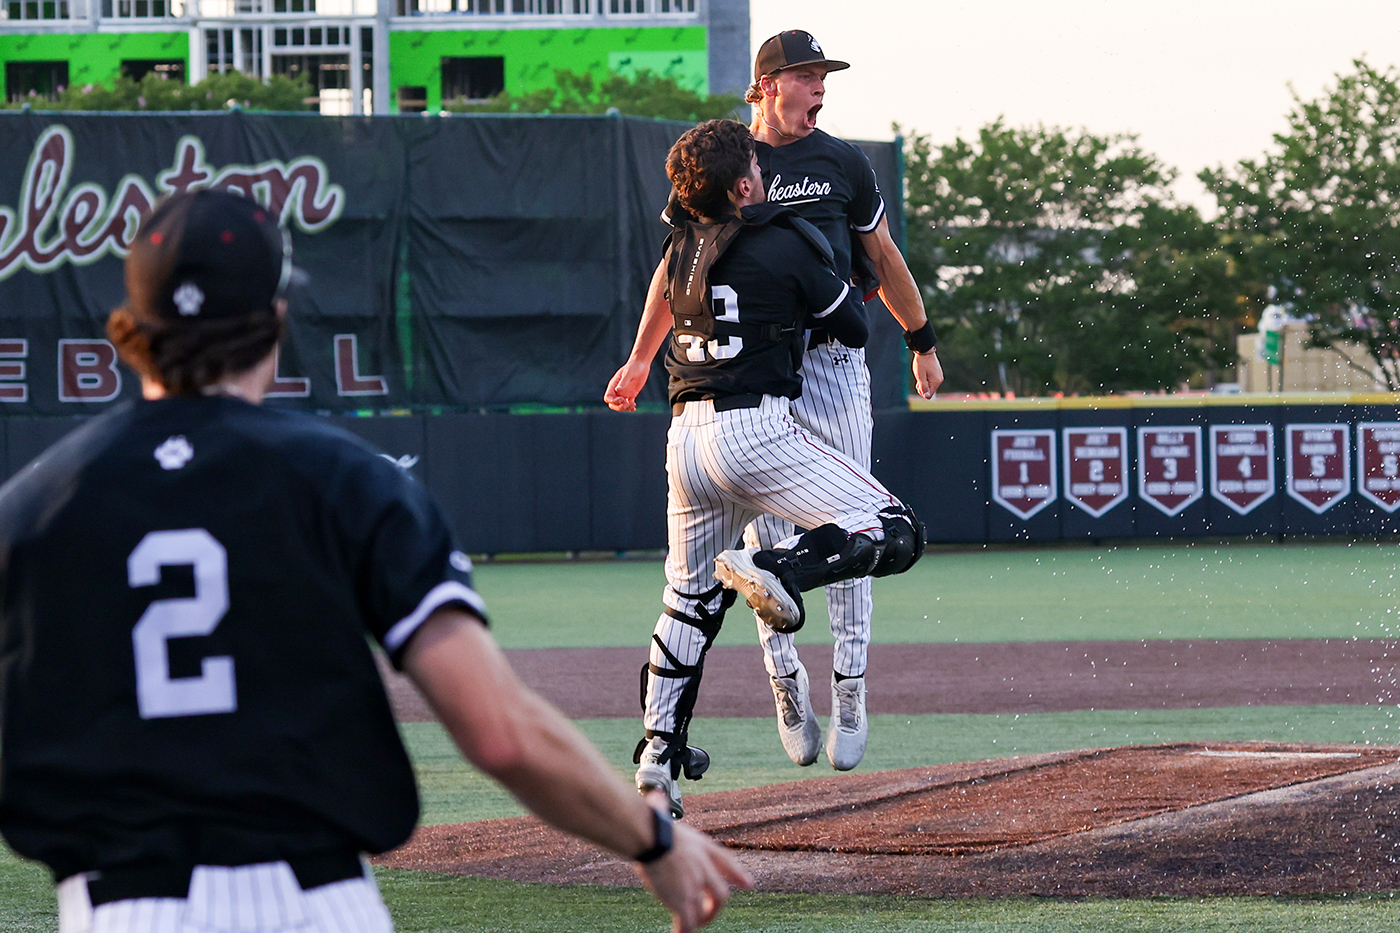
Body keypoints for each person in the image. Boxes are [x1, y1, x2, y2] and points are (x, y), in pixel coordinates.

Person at [0, 189, 750, 933]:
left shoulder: (30, 509)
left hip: (116, 910)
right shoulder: (348, 480)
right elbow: (498, 729)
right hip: (315, 903)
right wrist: (650, 839)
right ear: (276, 318)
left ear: (130, 327)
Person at [605, 30, 942, 774]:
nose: (820, 87)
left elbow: (882, 258)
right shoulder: (722, 160)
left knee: (849, 521)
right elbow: (674, 270)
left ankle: (848, 683)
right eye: (807, 75)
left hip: (827, 363)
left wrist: (921, 337)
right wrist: (638, 356)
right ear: (765, 87)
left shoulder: (840, 160)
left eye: (825, 76)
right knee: (762, 542)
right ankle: (785, 680)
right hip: (756, 377)